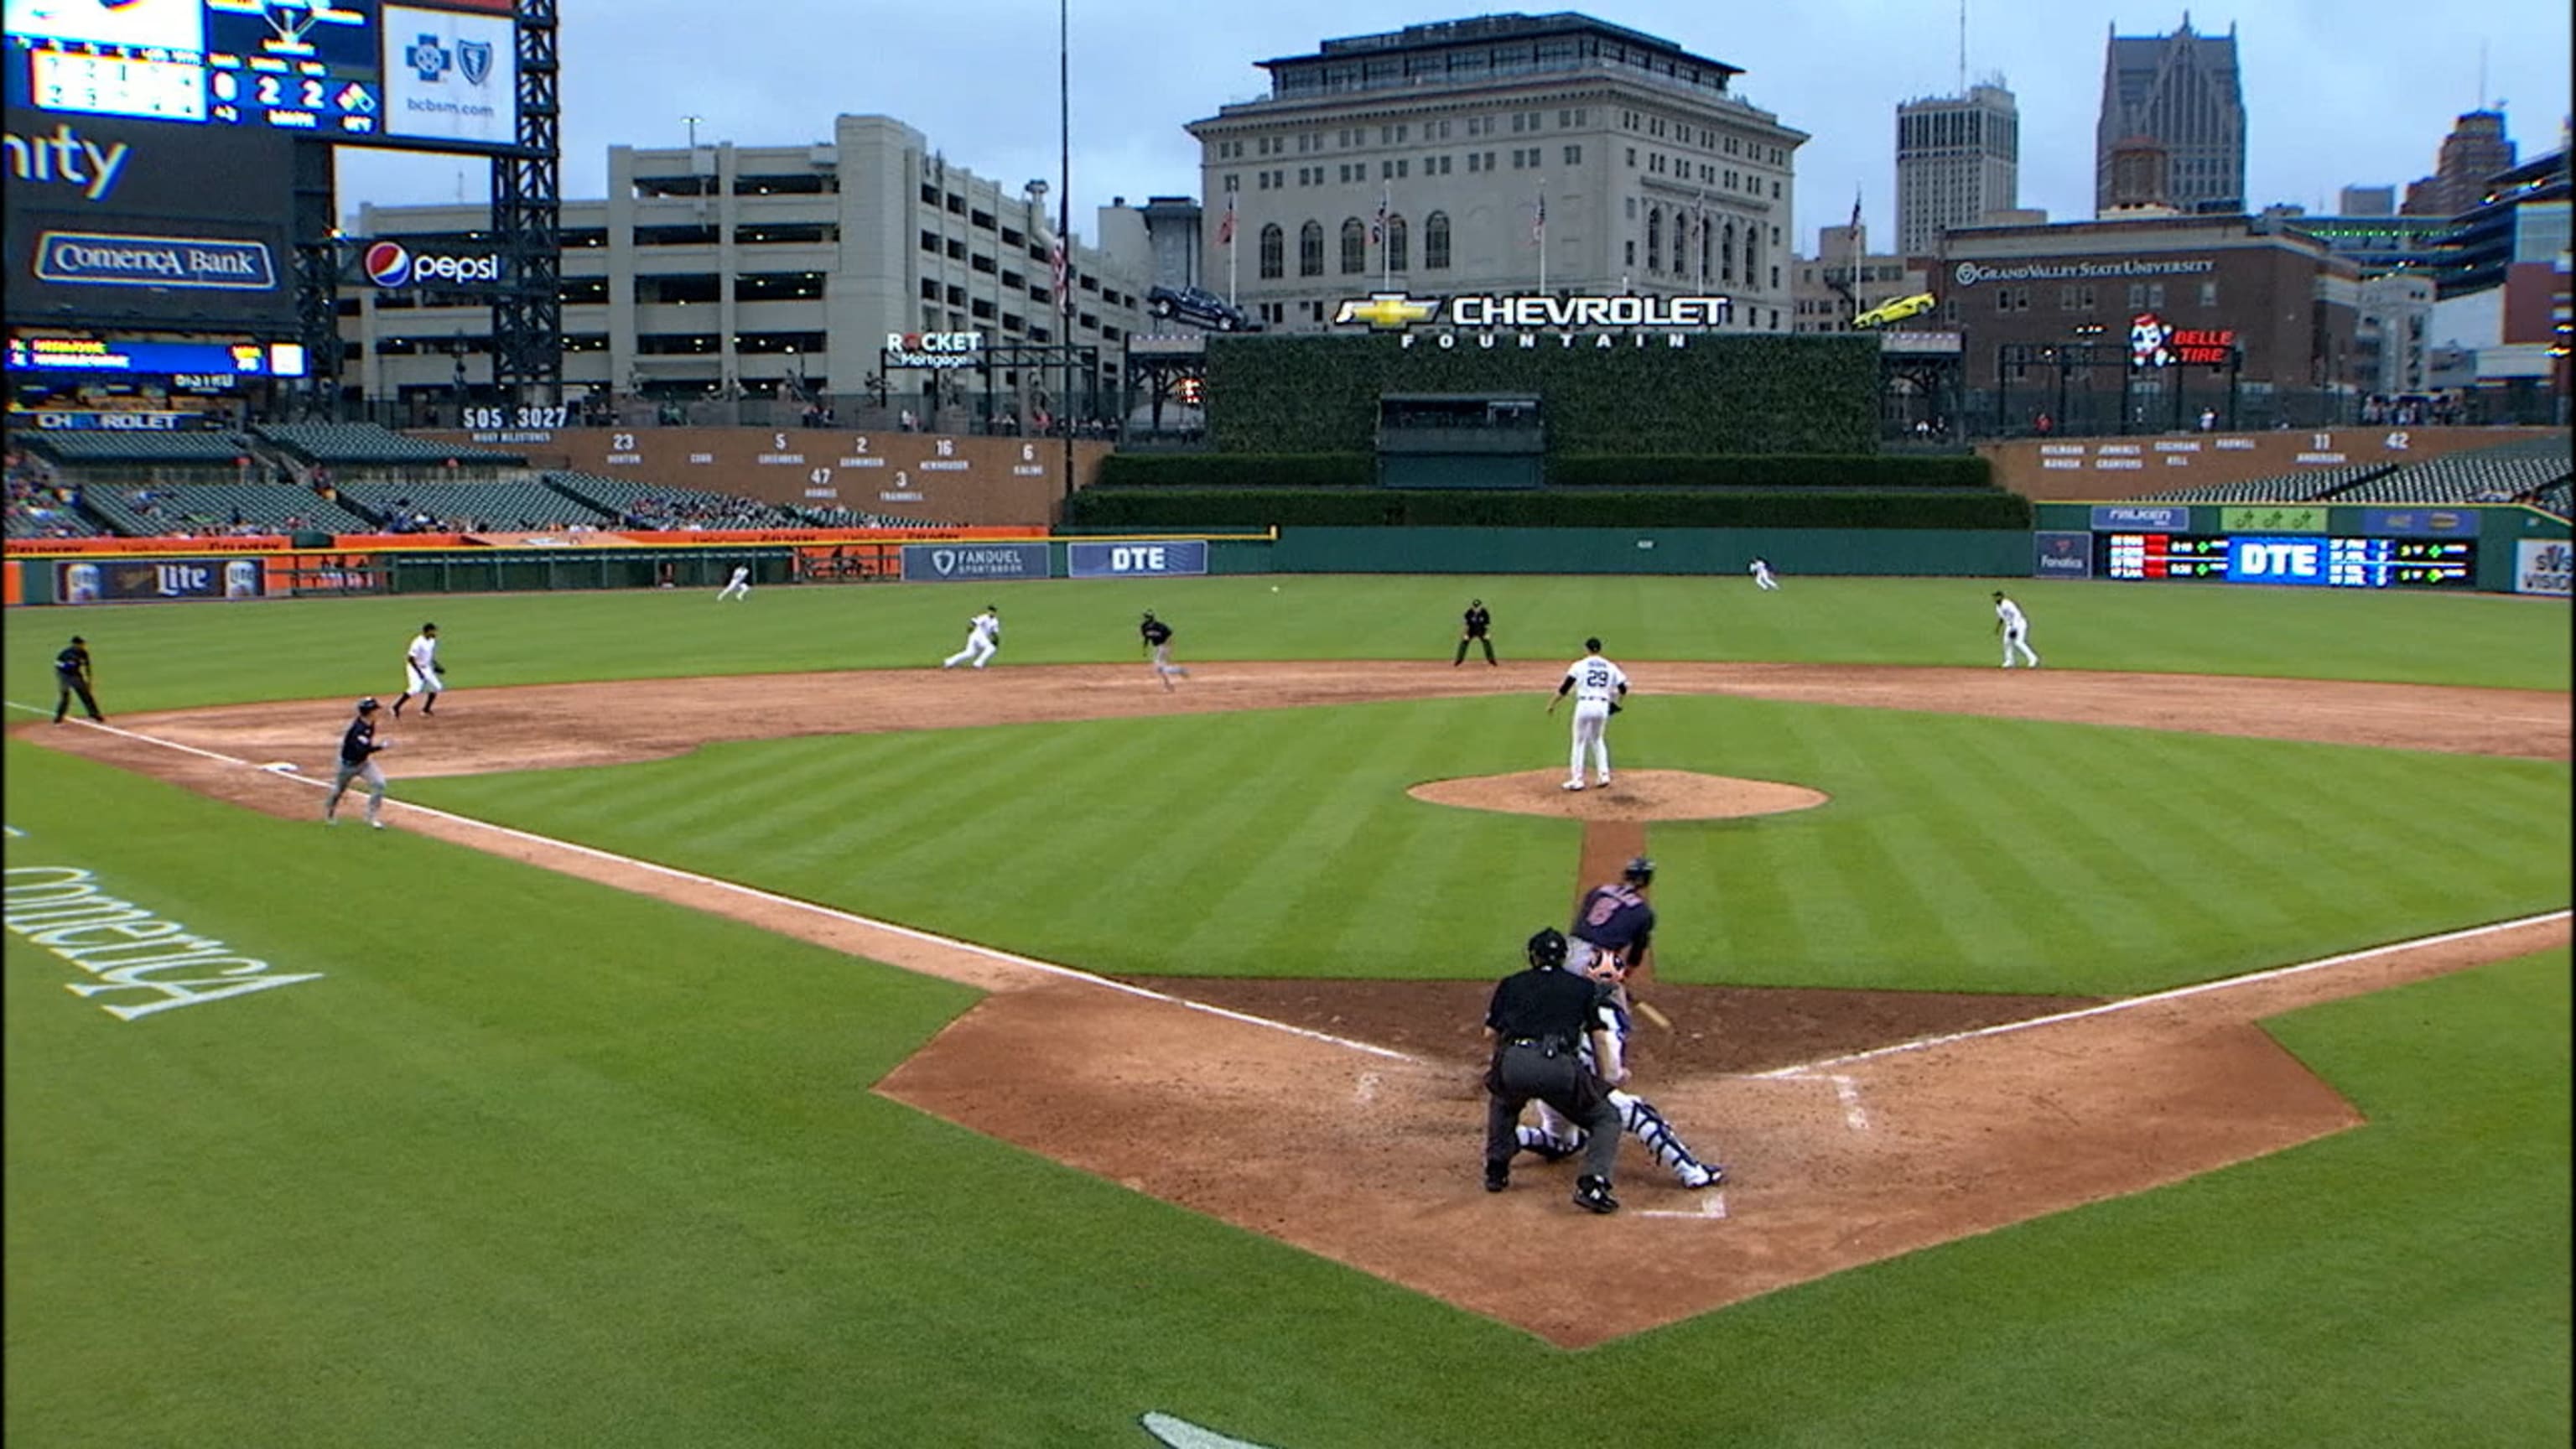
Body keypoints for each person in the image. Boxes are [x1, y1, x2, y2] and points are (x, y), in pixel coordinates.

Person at [1519, 937, 1726, 1190]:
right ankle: (1692, 1172)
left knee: (1563, 1142)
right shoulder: (1607, 1017)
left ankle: (1511, 1135)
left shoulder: (1564, 1002)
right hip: (1582, 1089)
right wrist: (1617, 1075)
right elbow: (1609, 1067)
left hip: (1548, 1087)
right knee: (1641, 1115)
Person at [1483, 927, 1626, 1213]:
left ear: (1532, 956)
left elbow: (1490, 1034)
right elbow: (1598, 1037)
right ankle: (1593, 1184)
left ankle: (1496, 1170)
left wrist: (1500, 1072)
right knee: (1606, 1118)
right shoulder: (1583, 987)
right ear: (1564, 957)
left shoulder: (1511, 984)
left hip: (1516, 1062)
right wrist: (1607, 1076)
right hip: (1559, 1068)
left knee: (1503, 1102)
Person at [1545, 636, 1628, 792]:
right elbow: (1623, 688)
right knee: (1597, 739)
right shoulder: (1610, 666)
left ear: (1586, 649)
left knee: (1579, 742)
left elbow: (1565, 688)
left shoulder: (1579, 665)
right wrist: (1616, 702)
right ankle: (1604, 775)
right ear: (1600, 649)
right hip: (1602, 705)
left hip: (1584, 704)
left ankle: (1577, 780)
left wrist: (1552, 704)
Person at [1568, 854, 1656, 979]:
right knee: (1614, 996)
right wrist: (1622, 977)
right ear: (1646, 880)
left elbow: (1581, 922)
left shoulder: (1598, 891)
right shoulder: (1643, 912)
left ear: (1626, 874)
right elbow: (1635, 954)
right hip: (1598, 962)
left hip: (1569, 950)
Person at [323, 698, 394, 828]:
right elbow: (363, 749)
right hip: (347, 766)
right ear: (369, 712)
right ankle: (330, 813)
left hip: (364, 763)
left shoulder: (370, 723)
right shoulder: (358, 729)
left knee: (379, 784)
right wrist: (382, 747)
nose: (377, 712)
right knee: (339, 790)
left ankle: (371, 817)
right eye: (375, 710)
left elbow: (364, 751)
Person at [393, 622, 444, 716]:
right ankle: (396, 707)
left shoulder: (432, 641)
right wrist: (419, 673)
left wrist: (436, 665)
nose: (435, 632)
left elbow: (429, 656)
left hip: (426, 667)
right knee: (415, 688)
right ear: (428, 631)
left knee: (437, 687)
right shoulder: (417, 642)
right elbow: (410, 658)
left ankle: (426, 710)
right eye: (433, 631)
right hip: (414, 667)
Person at [52, 634, 103, 724]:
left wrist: (89, 680)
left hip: (76, 675)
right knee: (65, 696)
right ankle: (58, 718)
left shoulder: (83, 653)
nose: (83, 645)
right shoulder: (66, 653)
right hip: (64, 675)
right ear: (75, 644)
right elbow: (57, 664)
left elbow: (87, 666)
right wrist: (66, 666)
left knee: (86, 695)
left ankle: (94, 714)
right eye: (81, 643)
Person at [943, 605, 1002, 669]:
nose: (991, 612)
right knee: (990, 648)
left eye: (993, 611)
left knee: (970, 653)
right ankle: (978, 663)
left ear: (995, 612)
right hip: (977, 636)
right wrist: (971, 627)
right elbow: (974, 622)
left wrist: (996, 640)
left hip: (980, 638)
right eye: (990, 610)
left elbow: (994, 632)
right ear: (988, 611)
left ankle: (949, 661)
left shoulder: (995, 621)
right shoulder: (984, 617)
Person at [1140, 610, 1187, 691]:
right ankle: (1169, 684)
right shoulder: (1147, 627)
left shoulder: (1159, 626)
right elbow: (1147, 638)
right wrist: (1145, 649)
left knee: (1159, 668)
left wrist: (1169, 649)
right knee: (1160, 668)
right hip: (1160, 648)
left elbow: (1170, 637)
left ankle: (1176, 673)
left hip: (1163, 647)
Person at [1993, 590, 2040, 669]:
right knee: (2007, 642)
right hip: (2010, 625)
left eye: (1998, 596)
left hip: (2020, 623)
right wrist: (1998, 628)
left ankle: (2033, 659)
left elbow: (2017, 614)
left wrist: (2015, 628)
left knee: (2019, 642)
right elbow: (2002, 618)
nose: (1996, 598)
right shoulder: (1998, 607)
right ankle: (2010, 661)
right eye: (1995, 597)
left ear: (2002, 597)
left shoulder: (2008, 604)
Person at [1453, 598, 1498, 667]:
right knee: (1464, 642)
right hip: (1471, 630)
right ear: (1473, 606)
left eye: (1478, 606)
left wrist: (1487, 633)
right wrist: (1465, 634)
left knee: (1487, 643)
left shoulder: (1484, 613)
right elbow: (1466, 624)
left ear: (1481, 606)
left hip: (1482, 630)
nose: (1476, 608)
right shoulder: (1469, 613)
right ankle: (1459, 660)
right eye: (1475, 606)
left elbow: (1487, 624)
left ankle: (1491, 660)